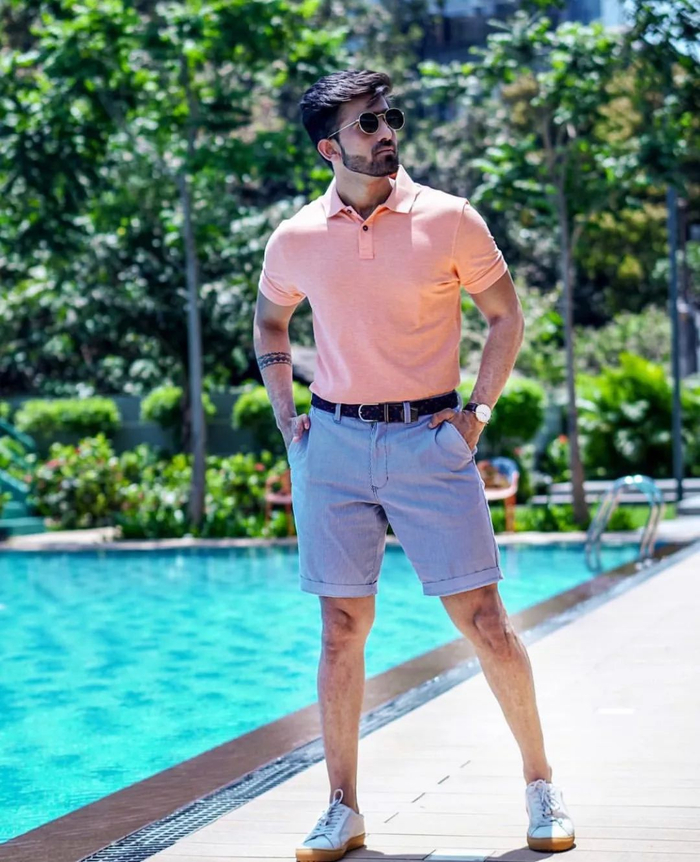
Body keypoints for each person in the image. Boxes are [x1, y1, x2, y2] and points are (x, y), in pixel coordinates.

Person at [253, 70, 575, 862]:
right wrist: (288, 418)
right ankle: (342, 808)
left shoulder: (451, 219)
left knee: (486, 621)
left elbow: (506, 317)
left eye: (389, 117)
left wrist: (476, 417)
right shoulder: (295, 237)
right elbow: (270, 320)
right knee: (340, 630)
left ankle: (541, 784)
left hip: (432, 443)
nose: (387, 131)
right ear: (329, 148)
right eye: (367, 124)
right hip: (334, 446)